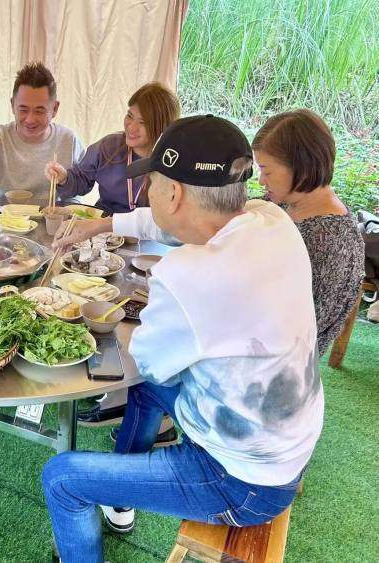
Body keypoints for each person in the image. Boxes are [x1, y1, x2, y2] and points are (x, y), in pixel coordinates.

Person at [43, 116, 322, 561]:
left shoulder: (187, 275)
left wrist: (85, 316)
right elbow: (169, 225)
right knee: (148, 393)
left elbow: (146, 364)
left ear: (173, 193)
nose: (148, 191)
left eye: (152, 183)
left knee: (61, 478)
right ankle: (120, 499)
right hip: (282, 445)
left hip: (241, 480)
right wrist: (100, 226)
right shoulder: (271, 220)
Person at [252, 109, 365, 356]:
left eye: (267, 171)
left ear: (301, 168)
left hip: (279, 361)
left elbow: (304, 328)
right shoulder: (283, 203)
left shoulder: (330, 241)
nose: (261, 180)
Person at [0, 62, 84, 205]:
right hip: (6, 217)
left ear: (54, 108)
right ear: (12, 105)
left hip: (57, 218)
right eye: (23, 110)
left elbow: (83, 184)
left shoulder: (69, 141)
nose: (30, 119)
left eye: (39, 111)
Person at [45, 82, 180, 214]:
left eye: (142, 122)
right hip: (103, 224)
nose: (131, 127)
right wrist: (64, 177)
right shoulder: (110, 146)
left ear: (162, 126)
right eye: (130, 116)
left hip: (145, 227)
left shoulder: (171, 161)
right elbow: (81, 180)